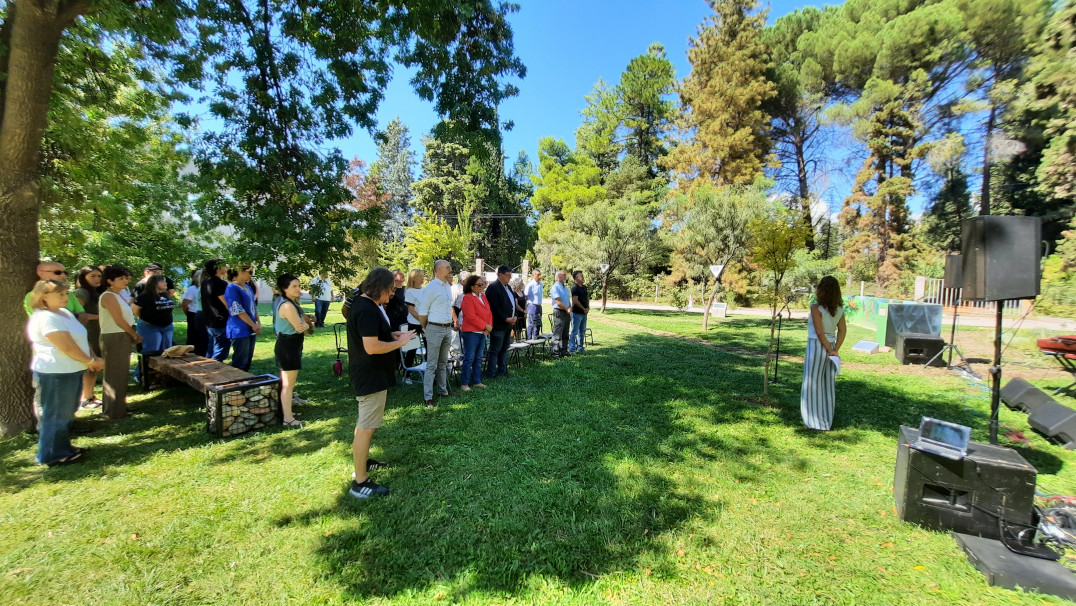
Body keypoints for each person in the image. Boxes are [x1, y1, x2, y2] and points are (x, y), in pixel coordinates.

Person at [346, 267, 415, 499]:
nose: (392, 294)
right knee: (366, 426)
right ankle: (360, 481)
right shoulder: (365, 308)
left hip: (372, 373)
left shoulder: (368, 305)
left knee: (365, 424)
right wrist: (400, 342)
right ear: (379, 287)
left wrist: (393, 335)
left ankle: (362, 462)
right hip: (370, 374)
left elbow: (376, 336)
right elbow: (372, 347)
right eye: (389, 290)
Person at [26, 280, 104, 466]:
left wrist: (91, 356)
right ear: (43, 297)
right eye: (59, 294)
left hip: (71, 369)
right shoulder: (45, 317)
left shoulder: (64, 313)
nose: (65, 297)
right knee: (56, 414)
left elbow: (80, 339)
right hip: (55, 372)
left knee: (66, 412)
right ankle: (51, 455)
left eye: (66, 293)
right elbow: (66, 346)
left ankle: (63, 447)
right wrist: (90, 361)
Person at [801, 276, 847, 431]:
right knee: (827, 384)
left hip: (817, 346)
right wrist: (835, 349)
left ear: (821, 290)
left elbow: (820, 333)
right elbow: (842, 331)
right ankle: (826, 420)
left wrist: (829, 349)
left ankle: (812, 421)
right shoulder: (839, 310)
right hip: (831, 347)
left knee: (811, 383)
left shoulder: (816, 308)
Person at [98, 265, 141, 419]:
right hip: (115, 336)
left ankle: (119, 408)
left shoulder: (118, 295)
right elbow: (118, 320)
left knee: (121, 374)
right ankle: (112, 412)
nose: (126, 281)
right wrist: (133, 334)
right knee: (114, 375)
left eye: (127, 278)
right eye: (121, 278)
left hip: (122, 335)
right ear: (109, 281)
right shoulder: (108, 296)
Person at [416, 259, 457, 408]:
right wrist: (426, 327)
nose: (450, 269)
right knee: (432, 364)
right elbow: (422, 312)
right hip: (434, 328)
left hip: (447, 328)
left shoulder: (447, 285)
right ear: (439, 270)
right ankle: (428, 397)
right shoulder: (431, 288)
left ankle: (443, 391)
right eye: (447, 267)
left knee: (442, 362)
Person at [274, 274, 310, 428]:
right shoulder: (287, 305)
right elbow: (300, 327)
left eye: (299, 285)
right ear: (284, 288)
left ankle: (287, 412)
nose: (298, 289)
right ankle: (288, 419)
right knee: (288, 384)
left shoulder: (291, 302)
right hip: (287, 346)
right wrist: (307, 325)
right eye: (294, 286)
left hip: (291, 345)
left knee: (288, 383)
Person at [73, 266, 103, 408]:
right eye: (93, 276)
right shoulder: (82, 292)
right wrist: (101, 317)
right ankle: (86, 398)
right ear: (83, 277)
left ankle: (90, 396)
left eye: (99, 276)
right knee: (89, 366)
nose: (97, 279)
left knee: (94, 367)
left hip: (96, 333)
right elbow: (76, 314)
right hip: (86, 334)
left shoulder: (95, 292)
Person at [484, 265, 517, 379]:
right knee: (495, 349)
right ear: (500, 275)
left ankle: (502, 371)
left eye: (510, 275)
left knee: (504, 349)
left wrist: (515, 316)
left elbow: (513, 303)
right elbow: (494, 307)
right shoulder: (493, 287)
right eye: (508, 275)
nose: (510, 277)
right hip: (498, 324)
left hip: (508, 324)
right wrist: (505, 318)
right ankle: (491, 373)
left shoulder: (508, 287)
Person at [459, 275, 491, 391]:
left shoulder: (483, 296)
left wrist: (489, 326)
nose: (482, 286)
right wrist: (485, 326)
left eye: (483, 284)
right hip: (471, 332)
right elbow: (471, 317)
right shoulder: (467, 298)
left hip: (482, 332)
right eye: (479, 285)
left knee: (478, 358)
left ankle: (477, 381)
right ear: (472, 287)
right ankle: (465, 383)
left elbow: (488, 312)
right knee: (469, 358)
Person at [225, 265, 260, 371]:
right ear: (240, 271)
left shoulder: (248, 287)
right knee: (240, 362)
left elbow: (254, 306)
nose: (251, 275)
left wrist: (258, 322)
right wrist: (253, 325)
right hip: (239, 329)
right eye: (250, 272)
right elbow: (238, 310)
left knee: (248, 360)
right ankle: (236, 385)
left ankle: (245, 384)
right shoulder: (232, 288)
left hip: (251, 328)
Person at [132, 274, 176, 353]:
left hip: (167, 326)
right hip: (150, 326)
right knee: (152, 350)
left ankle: (164, 365)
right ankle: (148, 365)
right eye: (162, 282)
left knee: (168, 350)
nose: (166, 283)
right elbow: (135, 309)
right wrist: (144, 318)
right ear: (154, 283)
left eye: (165, 282)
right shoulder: (145, 295)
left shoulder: (165, 294)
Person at [201, 259, 231, 362]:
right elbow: (227, 303)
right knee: (221, 351)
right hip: (220, 321)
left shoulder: (206, 282)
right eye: (224, 266)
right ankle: (215, 373)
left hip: (210, 321)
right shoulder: (220, 283)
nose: (226, 267)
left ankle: (207, 369)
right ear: (218, 269)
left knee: (211, 349)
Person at [402, 268, 426, 370]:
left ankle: (429, 372)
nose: (422, 279)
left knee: (429, 347)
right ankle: (407, 374)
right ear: (414, 278)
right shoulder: (409, 291)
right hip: (414, 323)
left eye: (422, 276)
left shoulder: (425, 290)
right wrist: (421, 320)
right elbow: (411, 309)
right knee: (412, 349)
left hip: (425, 322)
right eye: (420, 277)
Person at [181, 269, 208, 356]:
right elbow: (185, 304)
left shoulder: (204, 288)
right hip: (193, 314)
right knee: (193, 337)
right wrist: (189, 315)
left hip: (203, 314)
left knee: (203, 338)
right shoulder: (192, 289)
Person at [549, 270, 572, 358]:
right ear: (558, 276)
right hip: (559, 311)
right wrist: (566, 309)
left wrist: (569, 307)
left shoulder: (565, 288)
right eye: (564, 275)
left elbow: (567, 300)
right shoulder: (555, 287)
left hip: (566, 312)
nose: (566, 276)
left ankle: (564, 351)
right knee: (558, 333)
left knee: (565, 333)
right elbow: (558, 301)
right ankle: (555, 352)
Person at [569, 270, 590, 354]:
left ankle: (580, 347)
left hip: (584, 313)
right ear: (576, 278)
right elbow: (575, 301)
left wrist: (587, 308)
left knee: (582, 331)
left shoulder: (584, 287)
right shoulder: (575, 287)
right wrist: (583, 309)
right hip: (576, 313)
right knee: (574, 331)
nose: (583, 277)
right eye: (581, 276)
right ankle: (572, 348)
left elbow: (587, 298)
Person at [524, 269, 544, 339]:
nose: (540, 276)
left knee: (538, 323)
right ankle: (529, 339)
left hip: (539, 305)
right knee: (531, 323)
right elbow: (525, 295)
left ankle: (536, 337)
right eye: (538, 275)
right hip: (532, 305)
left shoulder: (541, 284)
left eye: (540, 274)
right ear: (533, 275)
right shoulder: (530, 285)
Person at [511, 277, 527, 342]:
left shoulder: (523, 292)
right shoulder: (514, 293)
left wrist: (525, 312)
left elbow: (525, 302)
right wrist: (523, 311)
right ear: (518, 284)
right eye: (521, 283)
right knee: (514, 330)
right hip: (517, 313)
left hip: (523, 313)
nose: (523, 284)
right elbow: (516, 305)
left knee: (520, 329)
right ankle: (511, 343)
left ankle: (519, 341)